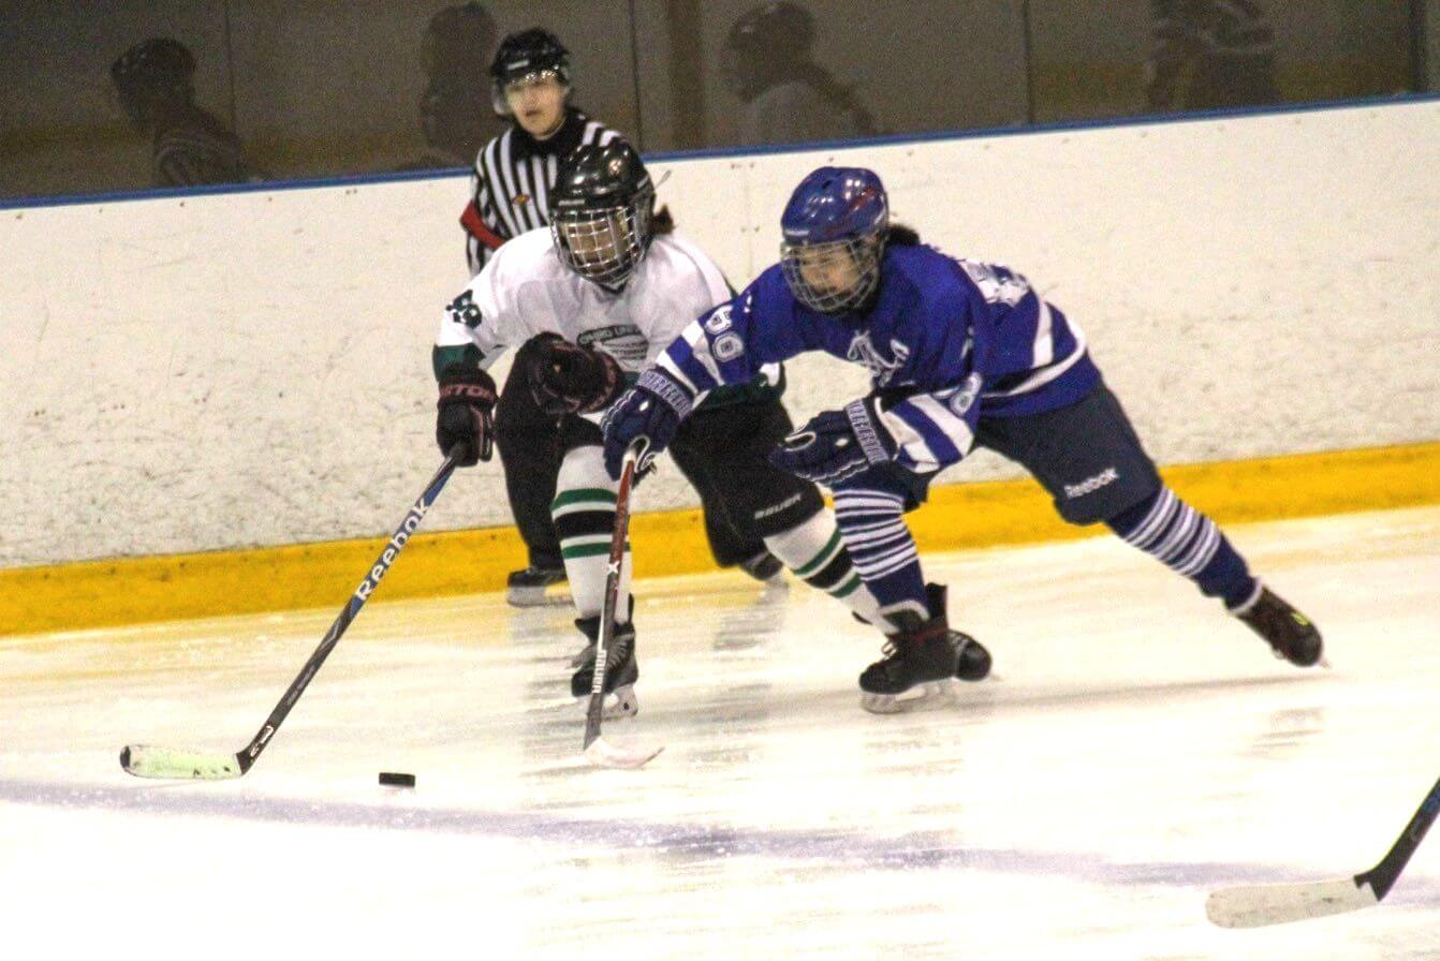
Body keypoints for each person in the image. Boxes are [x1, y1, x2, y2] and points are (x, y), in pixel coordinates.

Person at [601, 166, 1325, 714]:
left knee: (1136, 511)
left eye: (831, 259)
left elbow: (947, 427)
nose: (814, 277)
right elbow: (715, 340)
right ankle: (920, 639)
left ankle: (1252, 599)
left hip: (1037, 380)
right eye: (803, 260)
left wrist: (854, 430)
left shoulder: (932, 298)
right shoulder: (794, 292)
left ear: (872, 249)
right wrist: (655, 396)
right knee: (860, 484)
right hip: (934, 382)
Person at [433, 143, 880, 714]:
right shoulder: (527, 267)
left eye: (605, 230)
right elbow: (463, 325)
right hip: (622, 390)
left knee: (792, 530)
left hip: (723, 394)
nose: (591, 248)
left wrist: (609, 387)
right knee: (580, 483)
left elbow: (682, 383)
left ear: (642, 217)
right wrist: (460, 385)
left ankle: (909, 621)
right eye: (578, 232)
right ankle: (608, 642)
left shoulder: (680, 277)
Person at [462, 28, 781, 605]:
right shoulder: (493, 161)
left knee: (686, 419)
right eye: (516, 87)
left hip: (626, 307)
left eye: (540, 82)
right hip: (554, 319)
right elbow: (484, 240)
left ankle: (746, 538)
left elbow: (643, 224)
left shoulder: (604, 144)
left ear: (563, 84)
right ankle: (551, 555)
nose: (530, 97)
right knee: (520, 424)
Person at [720, 1, 878, 148]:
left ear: (769, 54)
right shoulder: (814, 93)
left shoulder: (782, 100)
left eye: (747, 55)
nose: (739, 66)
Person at [110, 37, 253, 188]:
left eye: (130, 95)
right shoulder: (206, 133)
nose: (127, 106)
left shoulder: (176, 156)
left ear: (156, 94)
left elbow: (211, 201)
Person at [1146, 0, 1278, 111]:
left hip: (1246, 83)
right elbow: (1166, 58)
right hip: (1233, 83)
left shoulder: (1227, 10)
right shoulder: (1168, 9)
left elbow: (1184, 52)